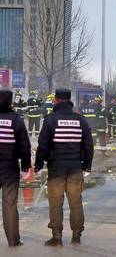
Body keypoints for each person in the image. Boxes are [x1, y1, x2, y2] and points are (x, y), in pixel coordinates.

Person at [34, 89, 94, 246]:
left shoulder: (50, 120)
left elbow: (43, 146)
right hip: (75, 167)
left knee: (55, 202)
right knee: (76, 202)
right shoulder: (80, 120)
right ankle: (76, 235)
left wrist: (38, 165)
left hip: (56, 169)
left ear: (55, 100)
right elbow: (88, 145)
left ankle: (57, 237)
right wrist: (87, 166)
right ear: (69, 100)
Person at [0, 90, 31, 247]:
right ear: (10, 101)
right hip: (9, 167)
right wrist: (25, 166)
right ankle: (13, 241)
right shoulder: (16, 120)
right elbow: (25, 145)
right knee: (10, 204)